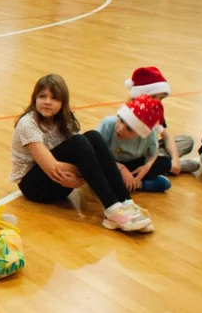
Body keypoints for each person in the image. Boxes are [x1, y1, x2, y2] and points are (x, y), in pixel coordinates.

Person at [10, 74, 153, 233]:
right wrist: (85, 172)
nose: (47, 102)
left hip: (64, 182)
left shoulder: (65, 119)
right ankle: (112, 210)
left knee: (93, 137)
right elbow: (52, 167)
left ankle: (126, 202)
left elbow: (86, 155)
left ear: (62, 102)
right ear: (34, 99)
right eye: (42, 96)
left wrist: (84, 174)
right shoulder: (27, 124)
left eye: (54, 98)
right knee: (79, 142)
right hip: (35, 187)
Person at [123, 67, 198, 174]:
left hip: (151, 151)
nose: (157, 102)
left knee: (187, 141)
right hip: (133, 155)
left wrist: (175, 159)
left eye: (161, 98)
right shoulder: (128, 113)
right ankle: (166, 166)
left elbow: (166, 137)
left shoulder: (156, 111)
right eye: (153, 97)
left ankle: (169, 165)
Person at [94, 95, 173, 194]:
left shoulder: (150, 134)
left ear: (141, 133)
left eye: (129, 129)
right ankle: (140, 184)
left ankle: (131, 184)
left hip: (133, 164)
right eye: (121, 120)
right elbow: (95, 152)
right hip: (109, 162)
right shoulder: (108, 124)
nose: (120, 128)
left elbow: (153, 153)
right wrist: (122, 169)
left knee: (165, 162)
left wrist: (146, 167)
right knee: (97, 171)